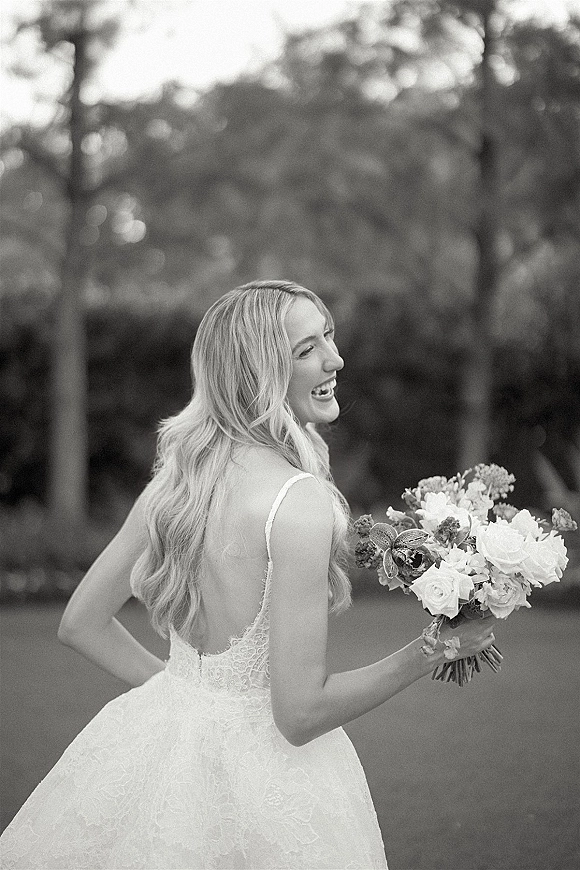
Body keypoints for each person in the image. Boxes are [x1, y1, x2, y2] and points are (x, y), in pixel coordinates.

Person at [0, 280, 496, 870]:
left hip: (160, 745)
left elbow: (80, 622)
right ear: (261, 371)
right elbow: (299, 714)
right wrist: (428, 652)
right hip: (274, 783)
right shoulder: (298, 501)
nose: (335, 359)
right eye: (306, 348)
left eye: (329, 337)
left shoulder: (177, 485)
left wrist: (186, 696)